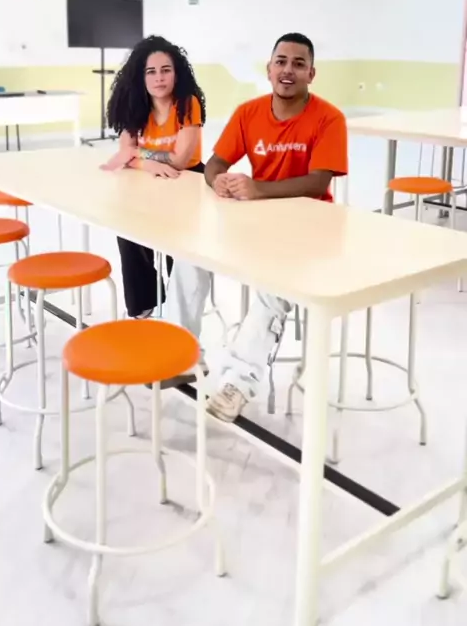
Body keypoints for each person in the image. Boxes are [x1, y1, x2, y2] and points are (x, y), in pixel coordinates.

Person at [164, 32, 348, 421]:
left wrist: (257, 189)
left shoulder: (329, 118)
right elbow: (215, 164)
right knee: (189, 254)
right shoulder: (249, 112)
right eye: (281, 61)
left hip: (309, 228)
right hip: (256, 219)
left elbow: (318, 182)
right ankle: (181, 354)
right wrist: (219, 181)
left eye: (299, 64)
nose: (288, 70)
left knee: (272, 286)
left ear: (311, 74)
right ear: (269, 69)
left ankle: (239, 382)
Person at [101, 35, 206, 318]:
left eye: (165, 70)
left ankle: (180, 307)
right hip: (148, 178)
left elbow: (180, 160)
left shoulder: (188, 103)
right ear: (141, 76)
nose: (159, 78)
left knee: (178, 242)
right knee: (128, 230)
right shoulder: (134, 105)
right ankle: (144, 303)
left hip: (187, 179)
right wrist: (146, 164)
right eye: (151, 71)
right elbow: (125, 152)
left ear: (176, 74)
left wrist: (138, 155)